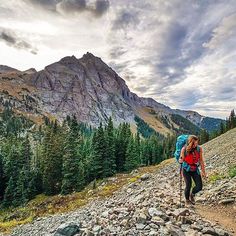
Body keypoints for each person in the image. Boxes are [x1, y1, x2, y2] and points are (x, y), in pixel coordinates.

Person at [179, 135, 207, 205]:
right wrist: (180, 160)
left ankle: (192, 194)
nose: (196, 145)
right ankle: (187, 200)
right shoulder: (184, 149)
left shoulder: (199, 149)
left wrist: (203, 172)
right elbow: (181, 160)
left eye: (197, 143)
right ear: (190, 142)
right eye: (194, 143)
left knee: (199, 186)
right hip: (186, 169)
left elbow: (201, 161)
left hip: (194, 169)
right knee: (188, 185)